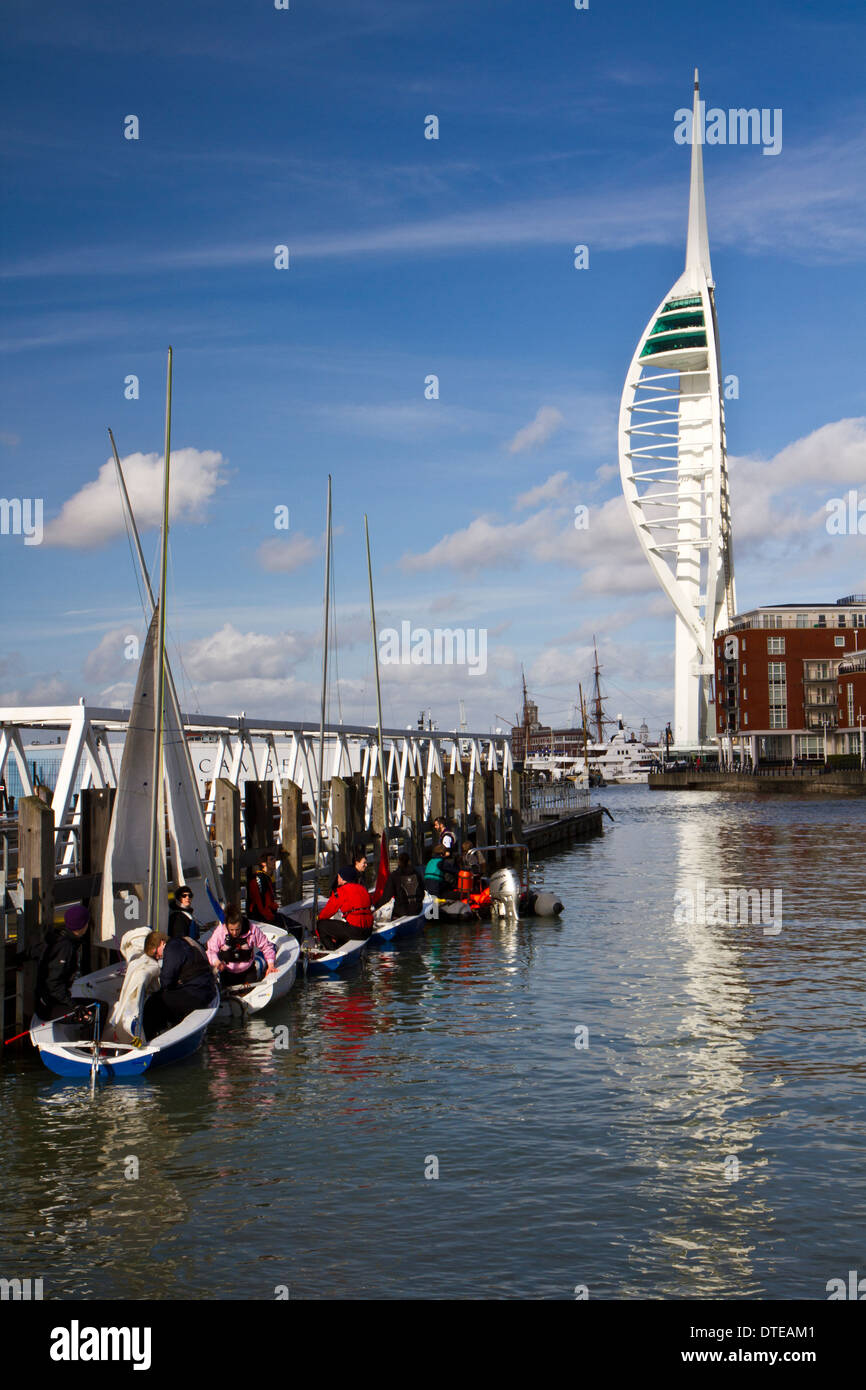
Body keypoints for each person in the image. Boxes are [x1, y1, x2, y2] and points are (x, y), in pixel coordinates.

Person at [142, 930, 217, 1037]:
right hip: (207, 988)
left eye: (155, 953)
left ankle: (151, 1038)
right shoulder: (182, 942)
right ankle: (172, 1025)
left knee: (153, 1003)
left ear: (161, 942)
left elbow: (167, 980)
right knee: (169, 998)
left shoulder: (171, 948)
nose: (157, 957)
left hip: (197, 992)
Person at [34, 903, 92, 1021]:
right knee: (94, 1015)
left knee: (98, 1006)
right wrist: (74, 1005)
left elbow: (33, 951)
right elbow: (53, 984)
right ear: (83, 925)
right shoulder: (65, 948)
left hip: (55, 1000)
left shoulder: (57, 938)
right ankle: (87, 1039)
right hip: (49, 1006)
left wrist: (18, 959)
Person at [206, 906, 276, 987]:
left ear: (241, 924)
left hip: (248, 971)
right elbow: (211, 950)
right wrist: (216, 962)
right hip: (227, 972)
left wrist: (271, 965)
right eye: (231, 930)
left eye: (237, 929)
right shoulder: (220, 931)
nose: (235, 933)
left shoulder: (253, 929)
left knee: (249, 990)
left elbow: (266, 946)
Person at [316, 867, 374, 949]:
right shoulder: (363, 889)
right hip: (368, 930)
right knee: (343, 926)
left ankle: (332, 951)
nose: (337, 878)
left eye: (339, 876)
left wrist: (318, 919)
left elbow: (328, 911)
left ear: (343, 878)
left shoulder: (341, 891)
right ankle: (340, 944)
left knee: (321, 925)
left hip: (355, 930)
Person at [377, 852, 425, 918]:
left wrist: (377, 906)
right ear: (409, 861)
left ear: (398, 862)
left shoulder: (394, 876)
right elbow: (422, 892)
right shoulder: (417, 874)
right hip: (418, 909)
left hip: (402, 911)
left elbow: (387, 896)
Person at [247, 856, 278, 924]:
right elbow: (260, 903)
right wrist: (270, 917)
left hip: (268, 914)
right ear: (263, 863)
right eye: (271, 859)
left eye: (275, 859)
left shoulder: (267, 877)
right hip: (260, 918)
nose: (274, 861)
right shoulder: (259, 877)